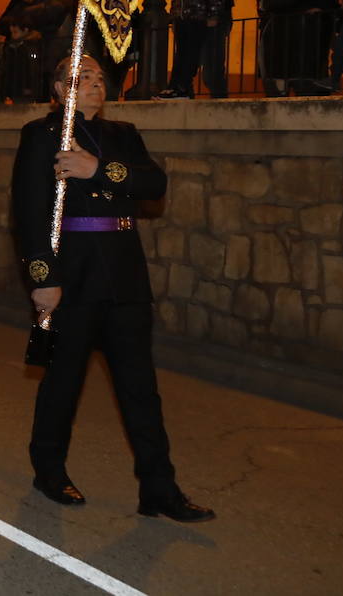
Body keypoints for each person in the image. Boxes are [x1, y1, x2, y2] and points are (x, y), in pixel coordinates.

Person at [11, 54, 214, 523]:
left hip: (124, 275)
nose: (96, 86)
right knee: (63, 382)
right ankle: (49, 469)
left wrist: (95, 168)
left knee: (141, 389)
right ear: (60, 89)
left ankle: (159, 488)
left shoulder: (123, 135)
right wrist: (43, 279)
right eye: (83, 80)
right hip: (72, 275)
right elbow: (28, 213)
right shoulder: (42, 136)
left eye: (101, 79)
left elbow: (153, 183)